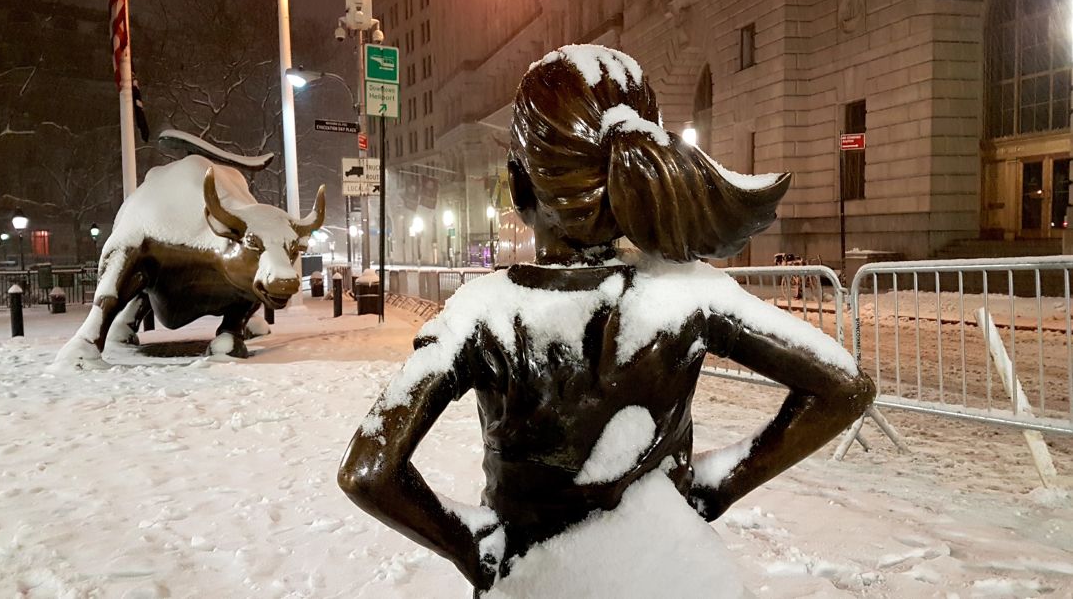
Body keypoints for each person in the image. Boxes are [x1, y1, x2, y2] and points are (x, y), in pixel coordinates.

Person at [339, 44, 875, 597]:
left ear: (521, 187)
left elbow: (370, 470)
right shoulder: (688, 295)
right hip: (675, 575)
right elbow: (842, 387)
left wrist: (471, 546)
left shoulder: (481, 314)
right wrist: (718, 487)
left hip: (539, 580)